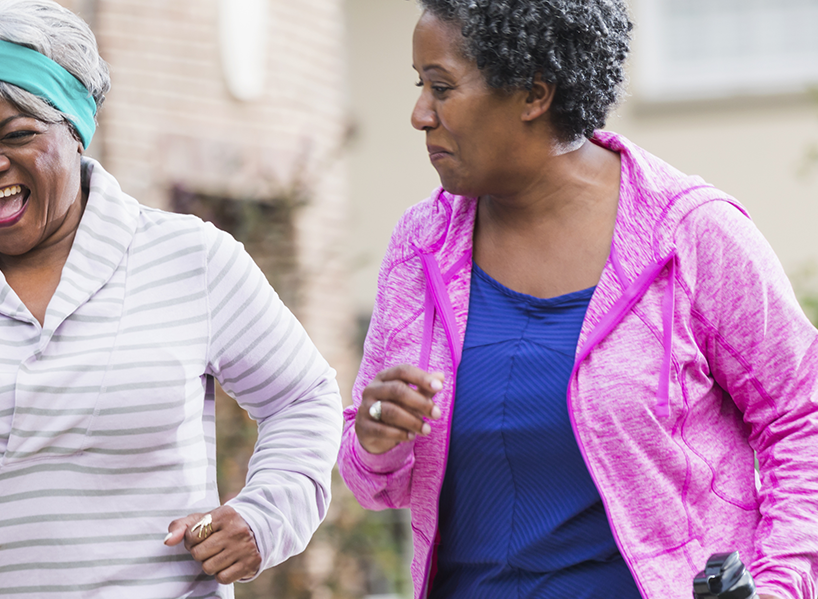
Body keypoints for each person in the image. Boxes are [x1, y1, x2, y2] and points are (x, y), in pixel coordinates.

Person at [0, 0, 343, 596]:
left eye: (16, 135)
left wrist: (266, 516)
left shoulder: (189, 257)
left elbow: (304, 398)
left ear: (76, 130)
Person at [338, 1, 818, 598]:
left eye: (441, 87)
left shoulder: (689, 236)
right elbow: (374, 484)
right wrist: (374, 437)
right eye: (420, 86)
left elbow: (803, 414)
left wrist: (782, 583)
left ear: (534, 95)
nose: (419, 115)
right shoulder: (422, 246)